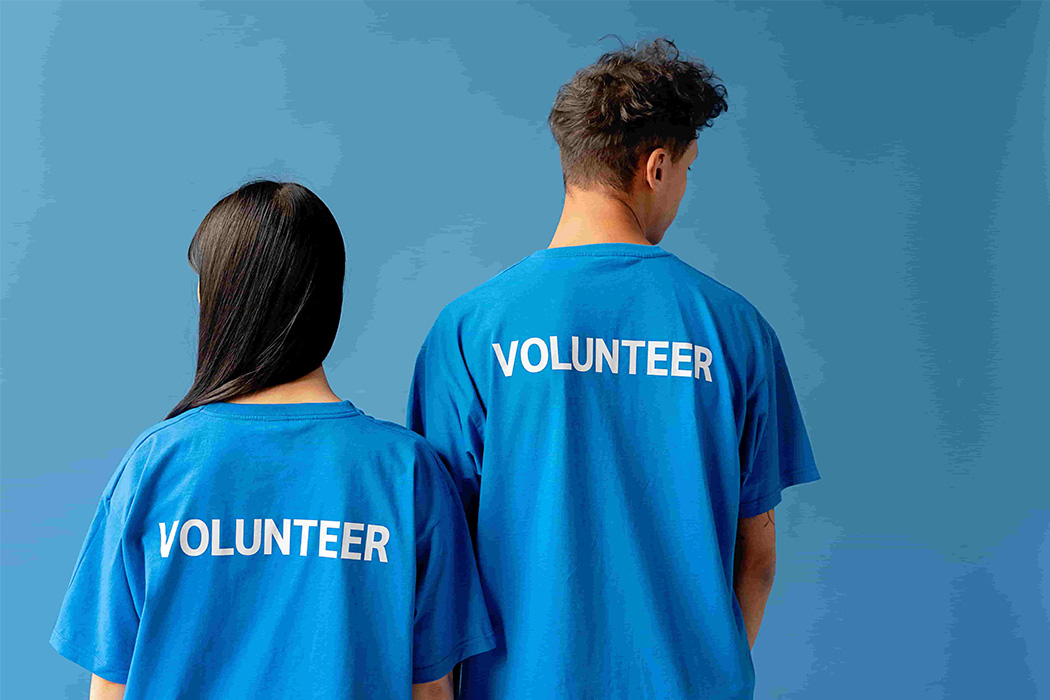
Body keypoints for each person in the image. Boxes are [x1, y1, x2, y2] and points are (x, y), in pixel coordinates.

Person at [406, 37, 821, 699]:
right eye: (686, 169)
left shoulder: (470, 330)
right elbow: (759, 559)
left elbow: (437, 571)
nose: (682, 188)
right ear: (656, 167)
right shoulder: (734, 330)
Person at [50, 180, 495, 700]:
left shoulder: (156, 465)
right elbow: (432, 691)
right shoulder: (408, 473)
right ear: (332, 297)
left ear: (215, 301)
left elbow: (110, 690)